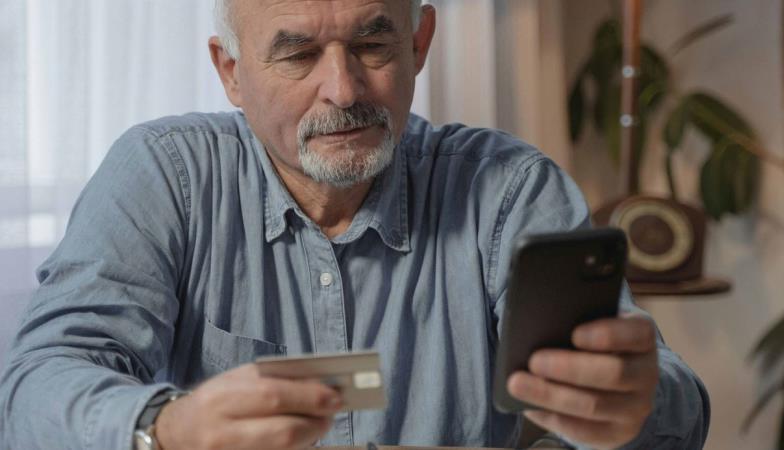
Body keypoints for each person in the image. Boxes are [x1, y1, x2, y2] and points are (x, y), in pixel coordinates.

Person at [0, 1, 710, 449]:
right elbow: (34, 389)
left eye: (374, 45)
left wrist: (629, 410)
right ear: (231, 72)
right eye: (298, 53)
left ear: (419, 42)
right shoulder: (166, 174)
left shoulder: (508, 189)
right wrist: (164, 427)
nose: (343, 90)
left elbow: (677, 408)